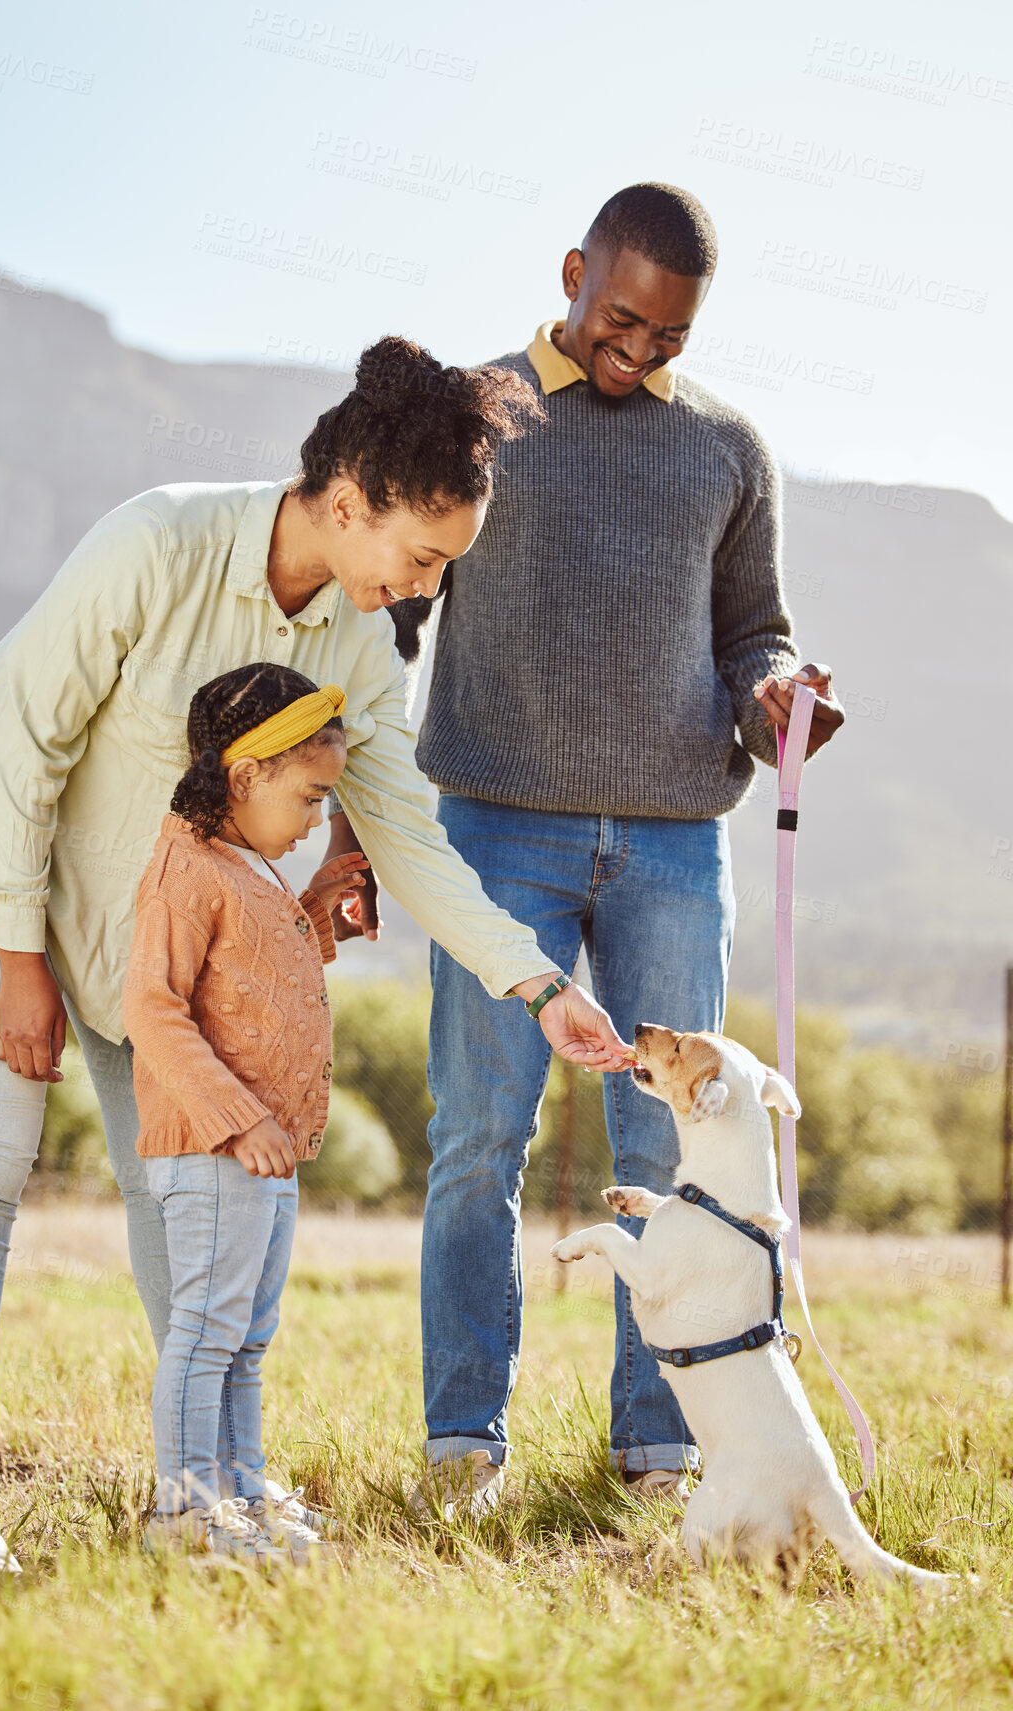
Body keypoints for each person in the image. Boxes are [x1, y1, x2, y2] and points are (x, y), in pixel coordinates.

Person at [0, 335, 633, 1573]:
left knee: (179, 1179)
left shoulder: (355, 648)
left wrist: (540, 986)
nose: (418, 594)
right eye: (416, 559)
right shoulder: (160, 544)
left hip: (158, 918)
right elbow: (27, 749)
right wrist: (20, 955)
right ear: (347, 500)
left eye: (440, 573)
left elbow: (407, 834)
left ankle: (199, 1490)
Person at [330, 184, 846, 1516]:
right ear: (573, 272)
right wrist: (352, 802)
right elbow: (387, 600)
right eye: (618, 319)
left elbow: (754, 634)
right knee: (480, 1139)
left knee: (670, 1146)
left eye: (665, 337)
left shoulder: (729, 448)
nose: (635, 352)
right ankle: (464, 1443)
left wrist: (778, 694)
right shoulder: (481, 411)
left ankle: (660, 1446)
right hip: (498, 827)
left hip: (677, 840)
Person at [125, 666, 363, 1564]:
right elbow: (151, 1005)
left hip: (264, 1154)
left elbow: (250, 981)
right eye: (308, 797)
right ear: (245, 773)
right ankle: (186, 1509)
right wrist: (237, 1119)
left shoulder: (239, 863)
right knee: (207, 1329)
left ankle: (238, 1490)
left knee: (246, 1338)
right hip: (219, 1146)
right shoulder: (185, 867)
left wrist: (313, 912)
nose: (313, 819)